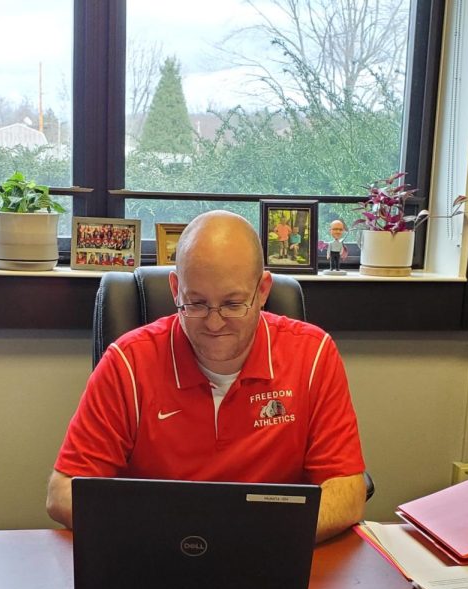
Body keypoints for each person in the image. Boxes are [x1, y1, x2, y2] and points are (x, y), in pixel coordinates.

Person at [46, 210, 367, 542]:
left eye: (232, 304)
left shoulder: (313, 356)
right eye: (196, 303)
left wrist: (247, 538)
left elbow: (347, 490)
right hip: (157, 556)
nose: (214, 323)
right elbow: (64, 493)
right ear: (175, 289)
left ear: (263, 291)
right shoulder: (126, 363)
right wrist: (174, 534)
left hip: (267, 556)